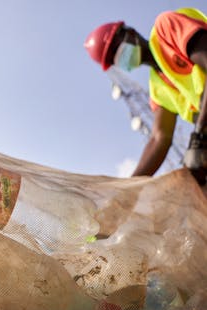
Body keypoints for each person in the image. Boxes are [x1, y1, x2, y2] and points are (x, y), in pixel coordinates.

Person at [84, 8, 207, 184]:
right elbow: (159, 138)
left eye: (115, 49)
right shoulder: (157, 87)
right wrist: (127, 188)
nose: (118, 57)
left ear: (130, 33)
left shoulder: (166, 28)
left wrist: (200, 137)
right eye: (113, 60)